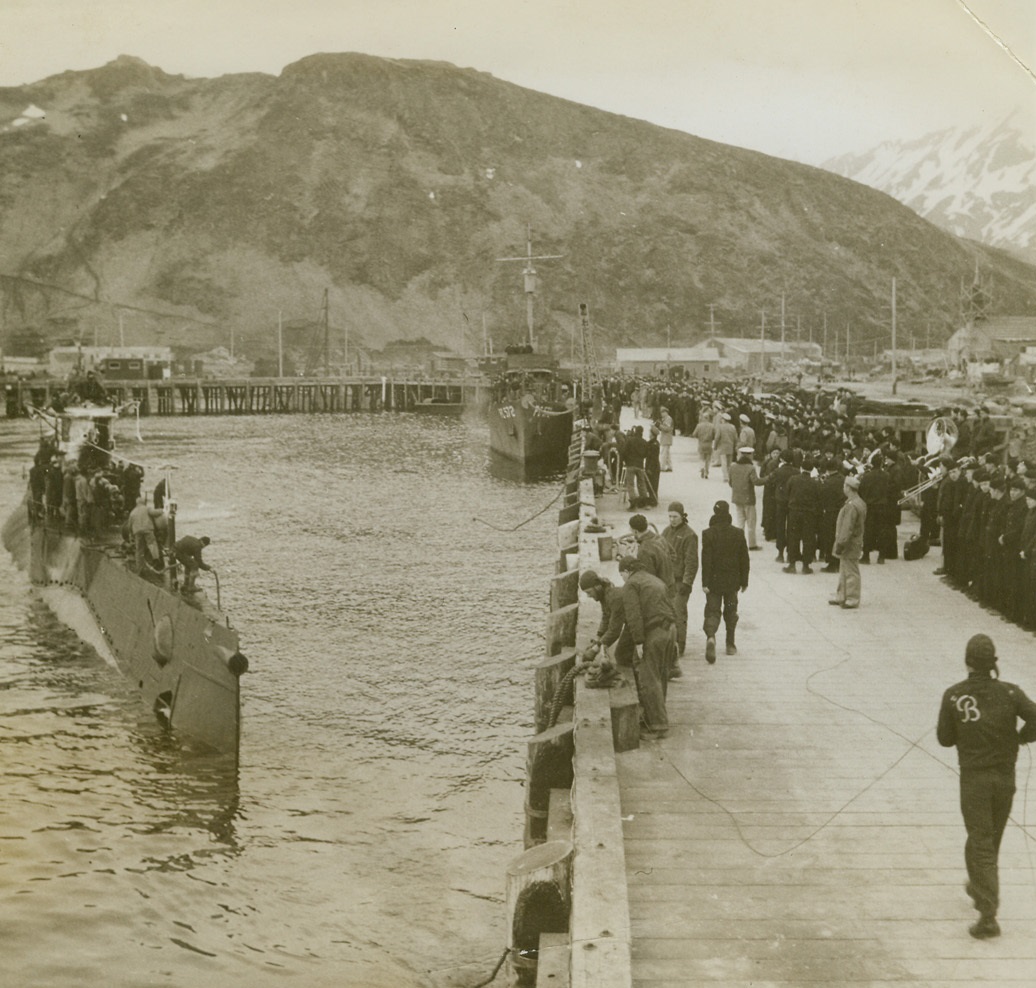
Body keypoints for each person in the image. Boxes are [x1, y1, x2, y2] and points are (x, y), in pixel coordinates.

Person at [937, 634, 1036, 939]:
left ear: (968, 662)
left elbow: (945, 738)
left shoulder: (954, 695)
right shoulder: (1010, 692)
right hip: (1006, 779)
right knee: (989, 839)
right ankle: (980, 887)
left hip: (975, 781)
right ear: (993, 663)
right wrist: (1022, 737)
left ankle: (988, 916)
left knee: (981, 841)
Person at [617, 555, 678, 742]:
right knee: (660, 676)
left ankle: (657, 726)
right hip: (670, 630)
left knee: (647, 677)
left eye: (621, 575)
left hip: (654, 633)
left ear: (626, 571)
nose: (622, 578)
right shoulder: (653, 579)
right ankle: (656, 717)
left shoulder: (631, 585)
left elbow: (633, 615)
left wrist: (638, 642)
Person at [700, 500, 750, 663]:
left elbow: (706, 559)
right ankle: (730, 644)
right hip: (732, 582)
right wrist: (744, 581)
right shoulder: (738, 533)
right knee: (731, 611)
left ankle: (711, 636)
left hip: (714, 582)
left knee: (712, 610)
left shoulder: (708, 533)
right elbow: (745, 559)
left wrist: (705, 583)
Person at [661, 501, 699, 676]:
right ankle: (668, 644)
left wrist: (687, 583)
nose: (672, 520)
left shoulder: (689, 535)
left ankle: (680, 645)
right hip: (666, 580)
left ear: (682, 516)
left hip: (680, 582)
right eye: (669, 516)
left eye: (675, 517)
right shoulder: (666, 532)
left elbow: (692, 561)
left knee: (678, 613)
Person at [828, 474, 866, 609]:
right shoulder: (859, 502)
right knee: (844, 569)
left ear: (849, 488)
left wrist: (840, 543)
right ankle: (842, 595)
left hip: (849, 543)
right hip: (853, 542)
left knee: (850, 571)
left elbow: (847, 527)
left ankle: (852, 598)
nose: (843, 488)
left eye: (845, 486)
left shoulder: (851, 506)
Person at [728, 446, 765, 550]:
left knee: (740, 521)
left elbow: (730, 483)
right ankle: (752, 544)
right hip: (748, 498)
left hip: (737, 498)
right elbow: (756, 482)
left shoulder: (733, 466)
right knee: (751, 522)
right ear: (749, 455)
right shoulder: (750, 468)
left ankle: (739, 544)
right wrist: (768, 478)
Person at [628, 513, 674, 590]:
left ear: (635, 531)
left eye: (631, 529)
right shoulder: (660, 538)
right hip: (671, 585)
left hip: (659, 591)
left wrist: (631, 559)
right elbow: (673, 555)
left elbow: (648, 578)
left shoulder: (643, 550)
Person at [127, 497, 164, 574]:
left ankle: (139, 569)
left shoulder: (132, 512)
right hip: (147, 529)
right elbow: (155, 513)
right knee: (152, 543)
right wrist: (163, 510)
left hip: (137, 531)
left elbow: (129, 525)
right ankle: (156, 558)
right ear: (144, 502)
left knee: (139, 550)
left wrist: (131, 534)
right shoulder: (146, 508)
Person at [657, 406, 675, 471]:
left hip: (667, 438)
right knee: (667, 454)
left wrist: (659, 425)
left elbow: (667, 428)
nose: (661, 414)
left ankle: (662, 467)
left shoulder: (668, 419)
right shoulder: (665, 419)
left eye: (663, 412)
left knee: (664, 454)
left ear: (666, 412)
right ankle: (670, 467)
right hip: (665, 438)